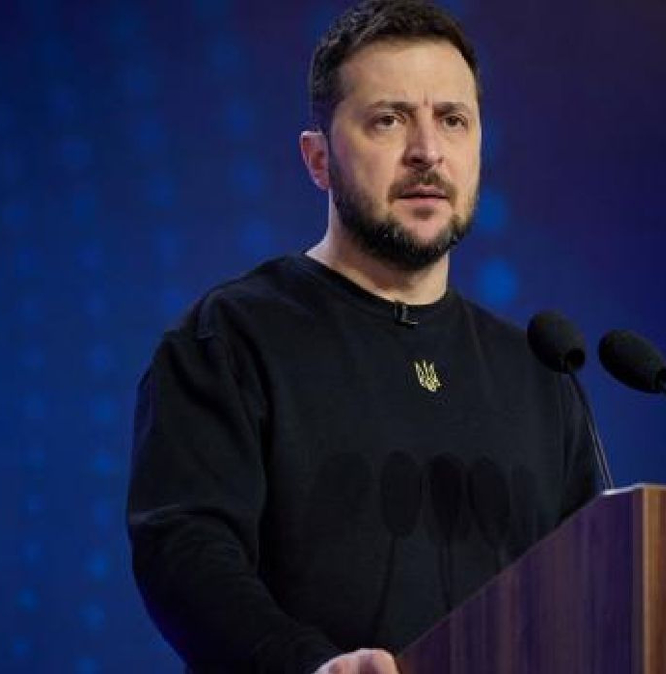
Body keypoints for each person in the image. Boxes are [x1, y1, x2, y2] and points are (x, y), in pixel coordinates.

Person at [126, 1, 599, 672]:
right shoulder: (231, 339)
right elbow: (185, 553)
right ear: (318, 159)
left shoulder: (537, 372)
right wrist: (309, 666)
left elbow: (593, 582)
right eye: (389, 120)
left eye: (453, 120)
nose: (427, 151)